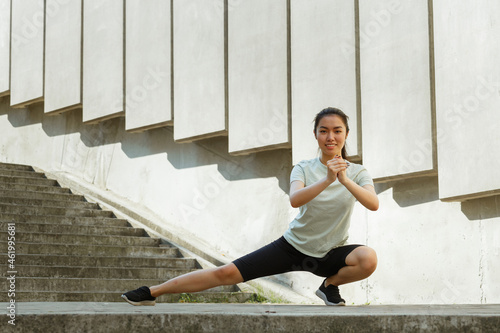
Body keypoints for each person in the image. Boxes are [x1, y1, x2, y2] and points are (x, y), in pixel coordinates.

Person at [121, 107, 379, 306]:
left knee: (367, 258)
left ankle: (329, 285)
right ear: (315, 135)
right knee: (225, 274)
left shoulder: (357, 172)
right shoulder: (303, 168)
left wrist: (343, 179)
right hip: (292, 248)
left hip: (329, 253)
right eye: (323, 130)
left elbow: (373, 204)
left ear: (346, 134)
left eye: (337, 130)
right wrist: (327, 179)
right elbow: (295, 199)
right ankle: (151, 292)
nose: (330, 136)